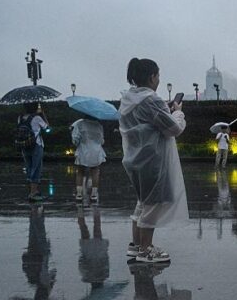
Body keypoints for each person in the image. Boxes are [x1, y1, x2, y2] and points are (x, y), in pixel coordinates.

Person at [119, 58, 189, 263]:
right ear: (151, 77)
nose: (159, 80)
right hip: (153, 160)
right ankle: (146, 249)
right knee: (153, 203)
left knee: (143, 201)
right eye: (158, 76)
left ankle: (135, 245)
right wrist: (178, 112)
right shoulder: (151, 100)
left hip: (135, 158)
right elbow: (173, 129)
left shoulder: (128, 99)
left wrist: (165, 111)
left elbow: (148, 121)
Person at [17, 103, 49, 201]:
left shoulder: (20, 117)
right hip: (36, 145)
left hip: (24, 145)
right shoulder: (37, 118)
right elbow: (47, 128)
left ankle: (33, 190)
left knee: (29, 167)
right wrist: (43, 114)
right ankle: (33, 193)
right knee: (36, 168)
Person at [70, 115, 106, 201]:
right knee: (95, 172)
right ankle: (94, 194)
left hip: (83, 150)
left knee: (80, 172)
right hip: (96, 151)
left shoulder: (80, 124)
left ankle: (79, 194)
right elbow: (101, 141)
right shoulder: (99, 126)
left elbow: (75, 140)